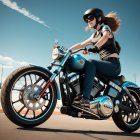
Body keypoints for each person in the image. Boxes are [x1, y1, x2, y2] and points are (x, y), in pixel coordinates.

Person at [69, 8, 121, 110]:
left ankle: (86, 99)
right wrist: (67, 51)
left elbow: (105, 37)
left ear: (99, 18)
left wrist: (96, 47)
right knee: (83, 64)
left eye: (91, 18)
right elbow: (81, 44)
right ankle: (80, 94)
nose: (88, 21)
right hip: (104, 64)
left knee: (91, 62)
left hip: (113, 65)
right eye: (87, 20)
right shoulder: (94, 35)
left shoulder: (105, 28)